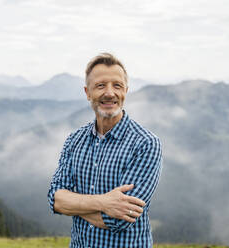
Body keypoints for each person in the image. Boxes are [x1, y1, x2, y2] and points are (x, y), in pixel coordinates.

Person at [47, 53, 162, 248]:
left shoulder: (146, 143)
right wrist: (104, 202)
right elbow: (56, 200)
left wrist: (74, 204)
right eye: (100, 85)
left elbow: (120, 219)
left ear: (126, 90)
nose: (110, 93)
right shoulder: (74, 140)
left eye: (117, 85)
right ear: (87, 92)